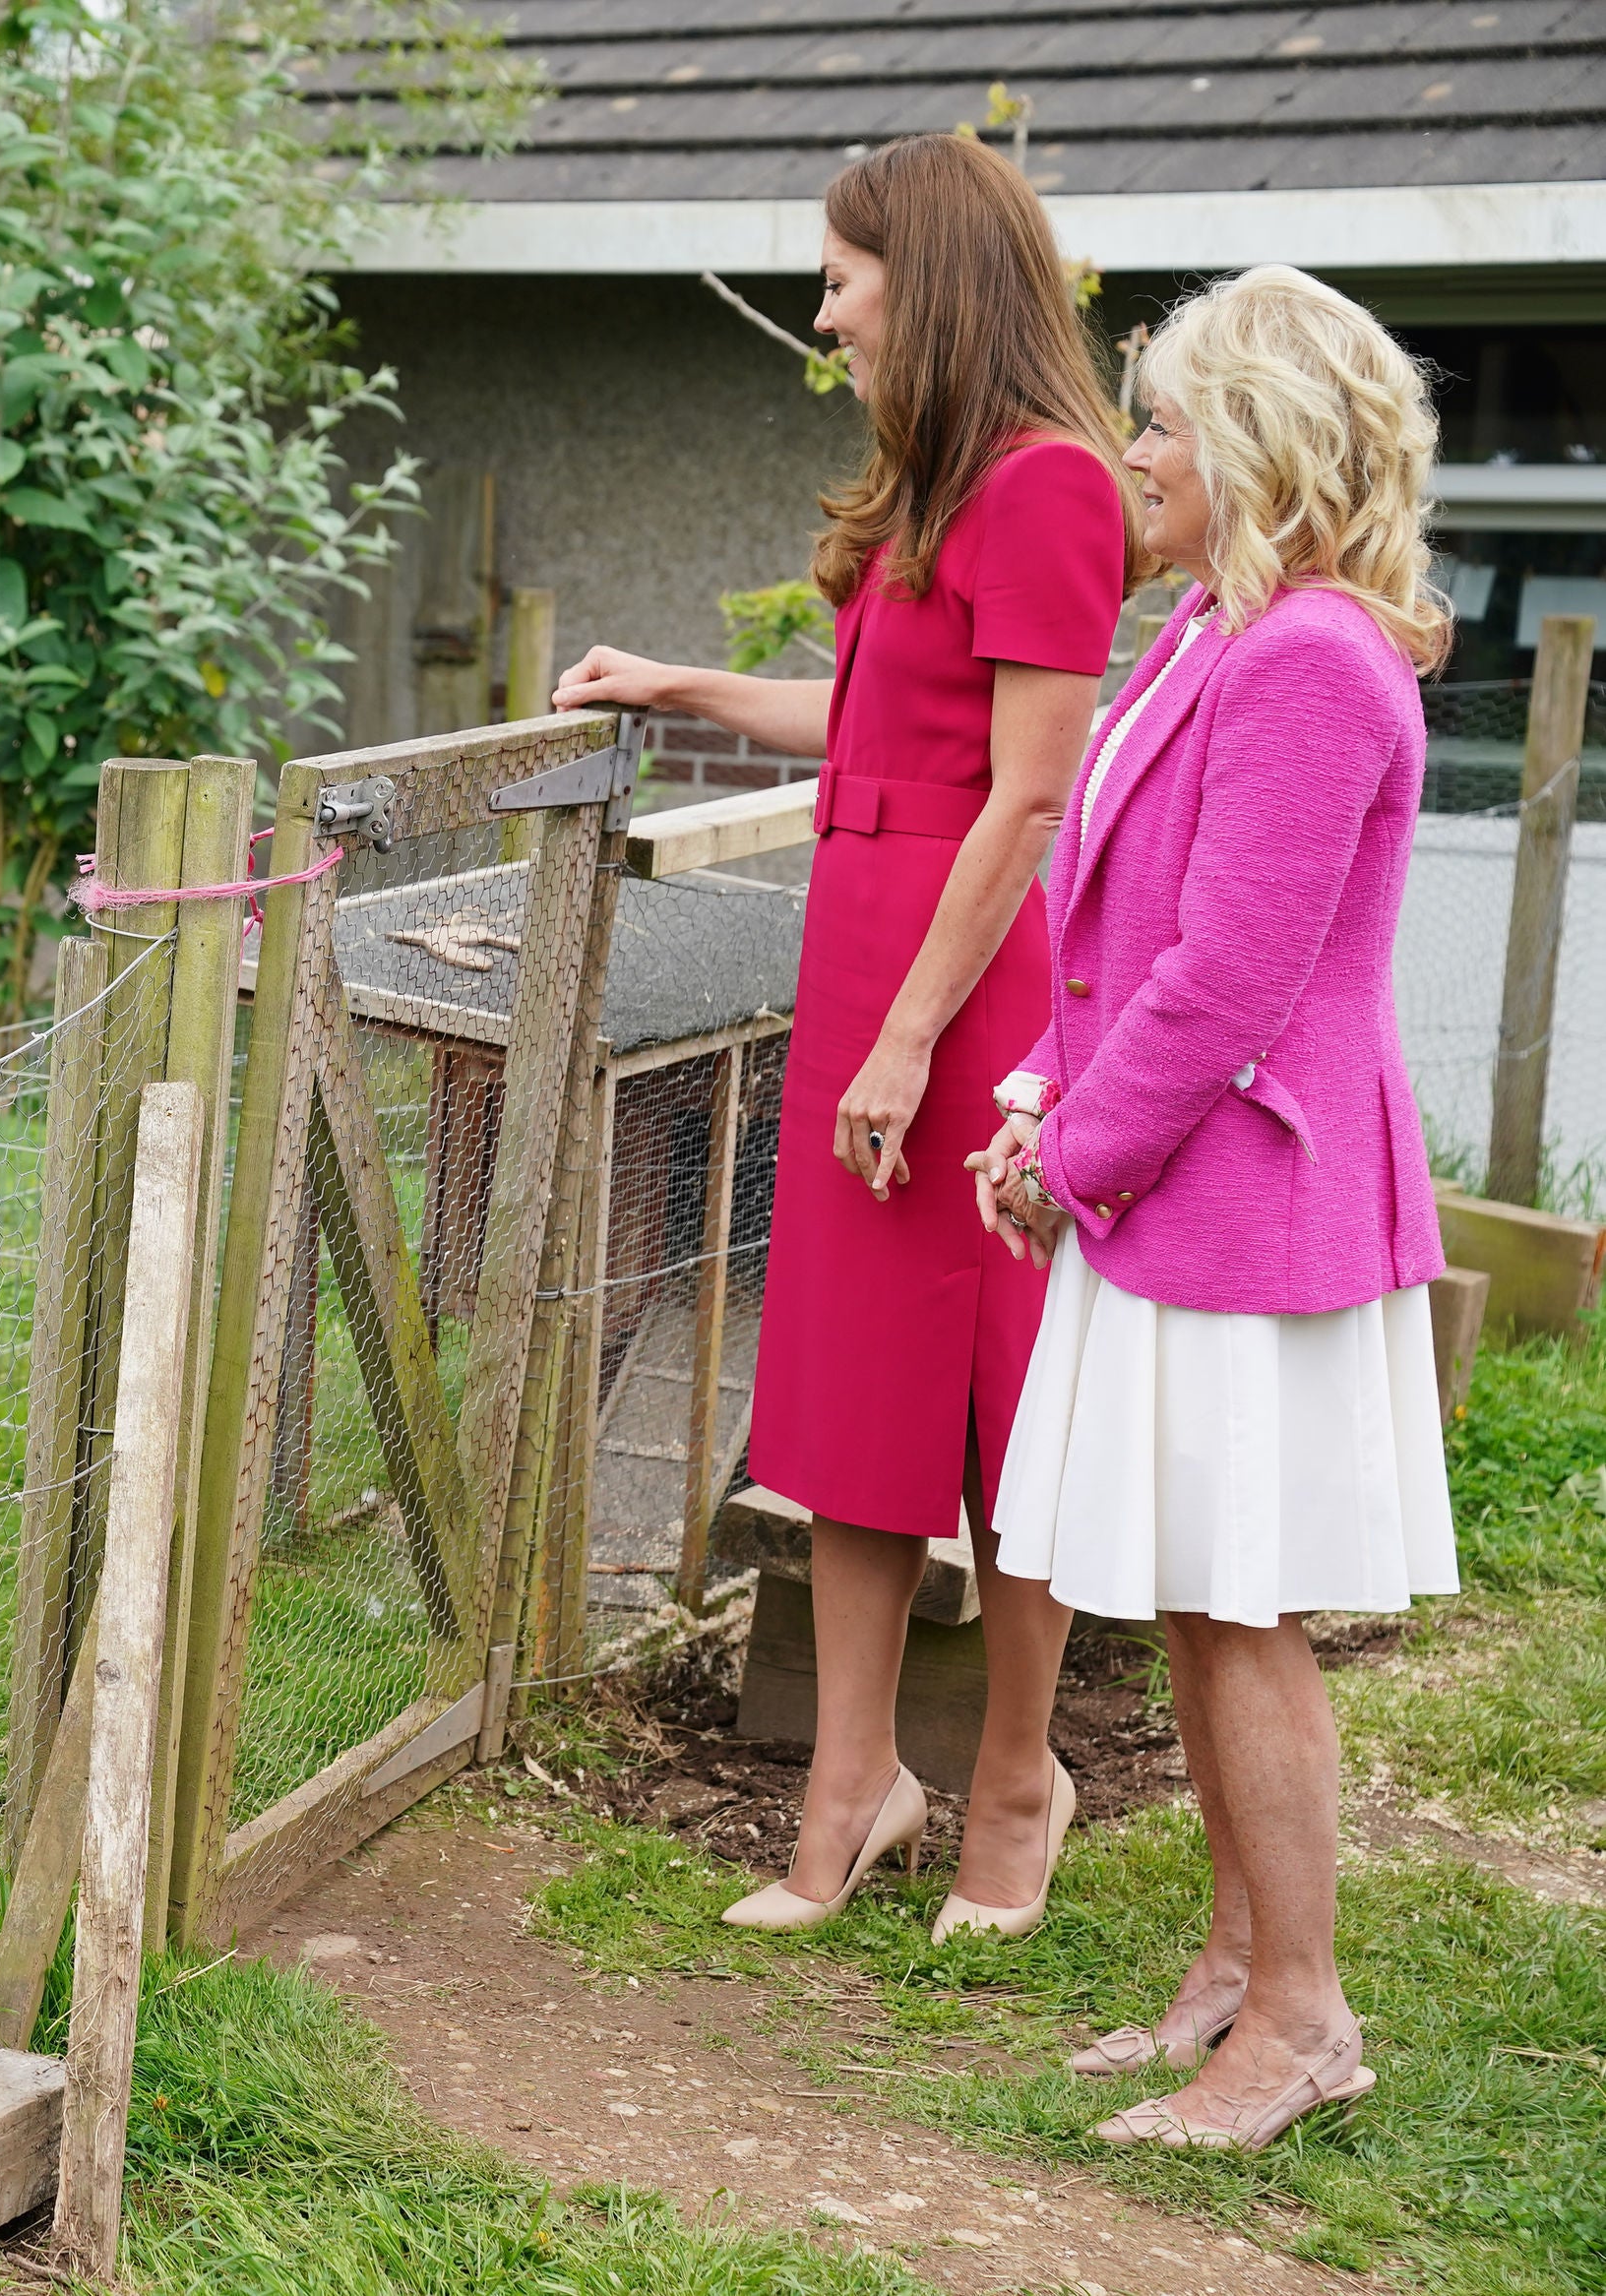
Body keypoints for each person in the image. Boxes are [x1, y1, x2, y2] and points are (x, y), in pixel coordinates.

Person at [551, 134, 1136, 1938]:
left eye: (841, 278)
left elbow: (1025, 797)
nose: (826, 312)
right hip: (870, 958)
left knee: (1008, 1411)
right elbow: (879, 731)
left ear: (932, 279)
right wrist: (680, 683)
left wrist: (907, 1042)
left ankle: (1018, 1782)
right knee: (862, 1399)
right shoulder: (928, 493)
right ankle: (852, 1780)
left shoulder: (1050, 487)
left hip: (967, 1001)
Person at [975, 266, 1453, 2149]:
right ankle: (1233, 1966)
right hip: (1173, 1183)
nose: (1137, 449)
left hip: (1252, 1207)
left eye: (1166, 416)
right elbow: (1116, 939)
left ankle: (1306, 2018)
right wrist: (1042, 1102)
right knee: (1192, 1582)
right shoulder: (1206, 632)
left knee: (1241, 1608)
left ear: (1257, 440)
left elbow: (1231, 978)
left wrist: (1069, 1157)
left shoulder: (1317, 660)